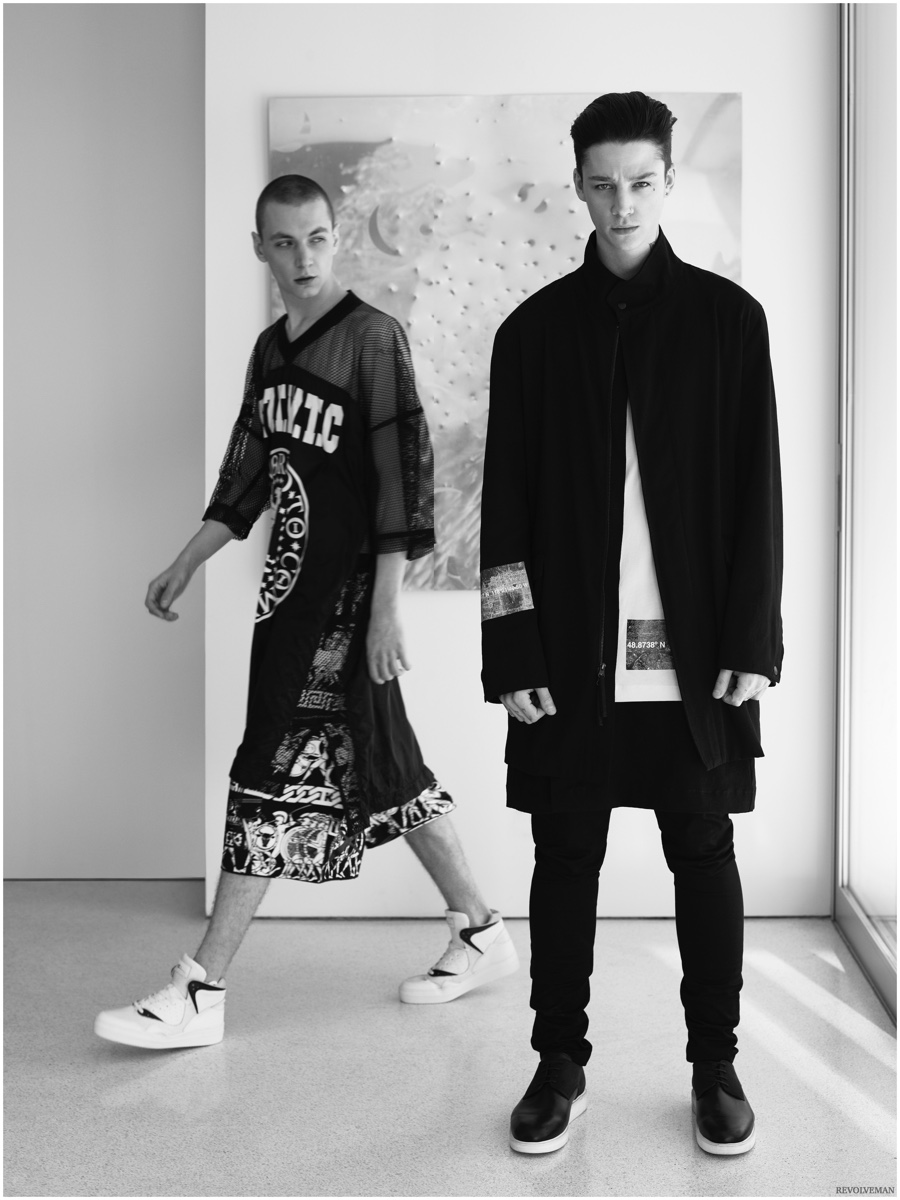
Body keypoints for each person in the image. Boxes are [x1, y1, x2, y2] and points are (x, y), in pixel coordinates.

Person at [95, 174, 518, 1050]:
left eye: (318, 237)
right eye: (284, 242)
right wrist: (185, 562)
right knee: (390, 767)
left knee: (266, 761)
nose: (304, 257)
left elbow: (404, 477)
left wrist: (385, 610)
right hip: (290, 598)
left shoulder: (371, 338)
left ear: (338, 237)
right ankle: (481, 931)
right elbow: (246, 475)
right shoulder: (270, 352)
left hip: (350, 601)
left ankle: (203, 988)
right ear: (260, 248)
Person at [480, 92, 783, 1156]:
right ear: (577, 184)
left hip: (693, 657)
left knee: (703, 848)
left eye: (641, 182)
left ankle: (716, 1065)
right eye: (602, 183)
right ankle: (558, 1064)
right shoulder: (531, 335)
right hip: (570, 657)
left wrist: (754, 640)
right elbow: (504, 509)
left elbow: (759, 493)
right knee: (565, 852)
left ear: (668, 181)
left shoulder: (729, 322)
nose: (621, 203)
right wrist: (510, 648)